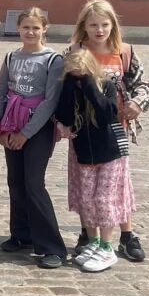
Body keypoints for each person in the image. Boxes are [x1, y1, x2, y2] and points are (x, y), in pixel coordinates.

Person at [67, 0, 149, 262]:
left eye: (104, 24)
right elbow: (63, 88)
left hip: (115, 129)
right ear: (84, 25)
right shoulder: (74, 51)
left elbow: (142, 84)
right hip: (83, 130)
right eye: (93, 25)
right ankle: (88, 234)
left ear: (113, 25)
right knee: (85, 185)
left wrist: (137, 103)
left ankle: (126, 235)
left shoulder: (124, 52)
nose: (99, 30)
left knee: (115, 186)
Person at [0, 8, 66, 269]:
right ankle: (21, 234)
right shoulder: (11, 56)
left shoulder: (53, 60)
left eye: (35, 28)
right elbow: (1, 90)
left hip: (38, 128)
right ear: (18, 28)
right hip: (11, 123)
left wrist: (26, 133)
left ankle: (52, 246)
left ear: (44, 29)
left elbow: (50, 101)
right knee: (15, 181)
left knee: (34, 183)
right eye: (26, 27)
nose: (30, 32)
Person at [56, 49, 131, 273]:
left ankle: (107, 247)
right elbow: (65, 116)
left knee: (103, 199)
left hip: (109, 151)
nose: (79, 78)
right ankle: (93, 241)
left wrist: (90, 85)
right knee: (87, 199)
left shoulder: (105, 86)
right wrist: (69, 87)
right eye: (74, 74)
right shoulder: (70, 88)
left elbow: (107, 114)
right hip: (84, 153)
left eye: (83, 74)